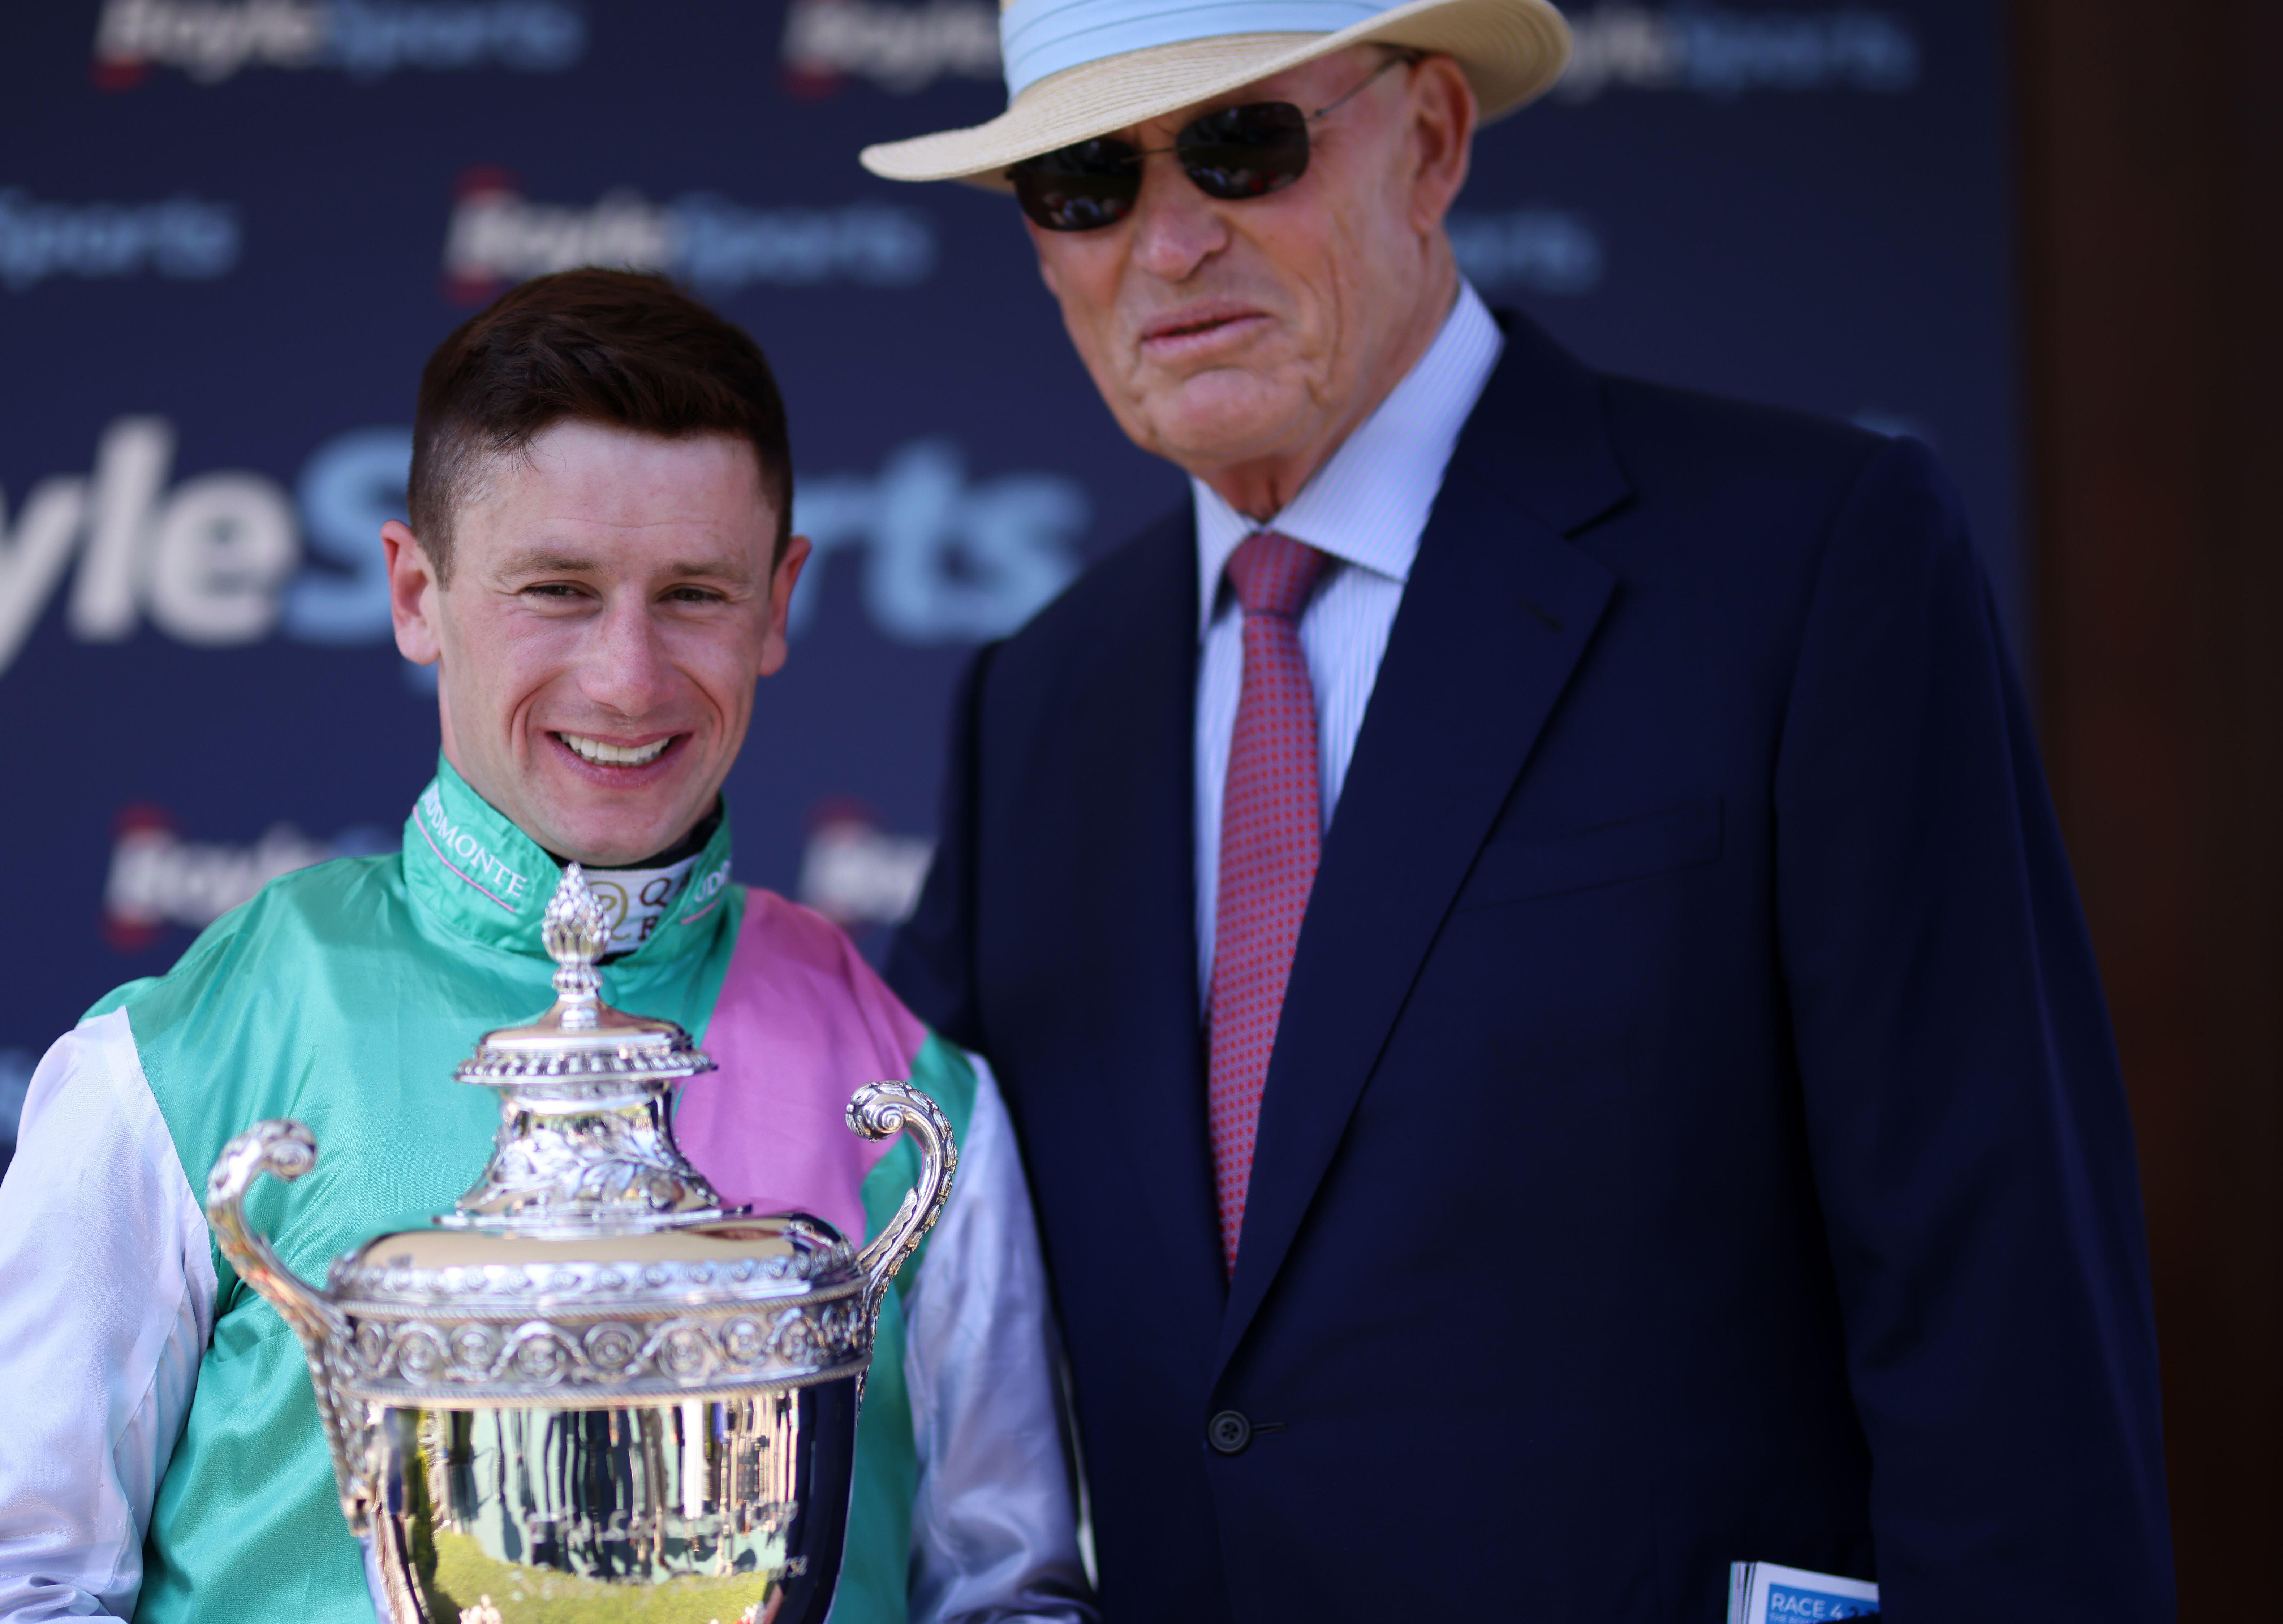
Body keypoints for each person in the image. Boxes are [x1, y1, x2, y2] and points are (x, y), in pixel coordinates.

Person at [862, 2, 2174, 1620]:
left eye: (1241, 143)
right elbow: (875, 1211)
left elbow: (2005, 1310)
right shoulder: (1038, 700)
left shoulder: (1810, 560)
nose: (1172, 239)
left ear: (1428, 143)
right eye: (1083, 180)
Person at [0, 269, 1093, 1624]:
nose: (627, 676)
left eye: (693, 593)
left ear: (777, 604)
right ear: (416, 592)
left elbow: (1009, 1597)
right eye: (559, 590)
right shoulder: (195, 1049)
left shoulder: (911, 1085)